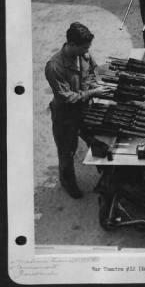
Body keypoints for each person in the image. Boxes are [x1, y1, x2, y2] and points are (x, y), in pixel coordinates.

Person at [45, 22, 109, 199]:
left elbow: (92, 72)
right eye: (83, 47)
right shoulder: (54, 66)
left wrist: (96, 82)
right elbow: (68, 97)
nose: (87, 51)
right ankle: (68, 182)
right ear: (71, 44)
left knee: (96, 140)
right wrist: (93, 92)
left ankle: (105, 175)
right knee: (67, 151)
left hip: (86, 108)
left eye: (88, 47)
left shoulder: (84, 55)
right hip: (65, 115)